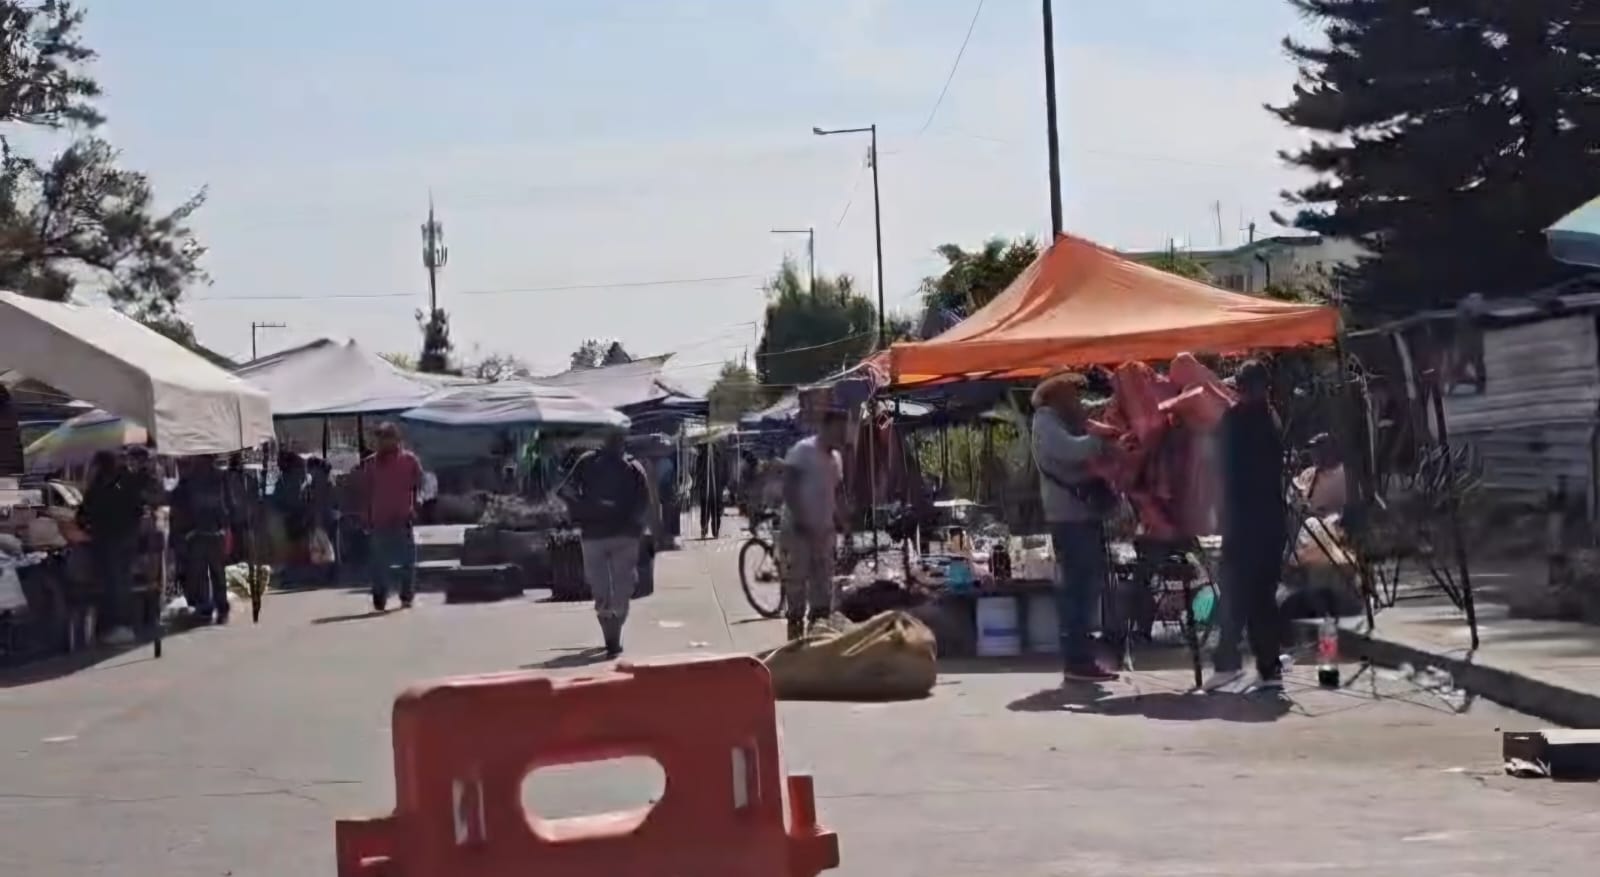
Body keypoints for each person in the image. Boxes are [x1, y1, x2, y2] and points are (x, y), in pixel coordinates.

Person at [1205, 360, 1290, 694]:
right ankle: (1268, 669)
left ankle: (1228, 665)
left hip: (1244, 524)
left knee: (1235, 597)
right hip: (1270, 523)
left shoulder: (1237, 420)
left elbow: (1220, 466)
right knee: (1260, 599)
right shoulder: (1270, 418)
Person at [1031, 373, 1118, 683]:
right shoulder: (1046, 423)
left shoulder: (1063, 417)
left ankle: (1082, 658)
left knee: (1086, 588)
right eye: (1072, 393)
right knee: (1078, 591)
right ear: (1057, 395)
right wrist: (1102, 440)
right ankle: (1078, 660)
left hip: (1082, 516)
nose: (1078, 399)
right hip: (1069, 519)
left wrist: (1119, 395)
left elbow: (1095, 408)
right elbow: (1069, 450)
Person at [563, 427, 656, 657]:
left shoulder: (588, 462)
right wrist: (636, 525)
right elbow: (645, 502)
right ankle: (613, 633)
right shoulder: (633, 467)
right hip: (622, 536)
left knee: (602, 588)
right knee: (621, 588)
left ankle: (610, 633)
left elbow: (566, 491)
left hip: (596, 535)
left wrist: (583, 508)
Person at [779, 409, 848, 641]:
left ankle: (817, 640)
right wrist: (802, 519)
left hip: (824, 532)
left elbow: (833, 494)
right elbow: (788, 488)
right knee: (797, 586)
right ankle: (795, 642)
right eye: (838, 429)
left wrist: (840, 520)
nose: (841, 434)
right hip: (798, 531)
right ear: (826, 427)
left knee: (823, 589)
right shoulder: (803, 451)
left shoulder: (836, 460)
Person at [77, 450, 144, 644]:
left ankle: (118, 625)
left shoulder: (100, 485)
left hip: (110, 540)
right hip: (127, 537)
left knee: (114, 583)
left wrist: (86, 524)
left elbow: (85, 513)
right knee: (122, 581)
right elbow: (139, 507)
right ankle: (124, 625)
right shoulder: (127, 481)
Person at [356, 422, 423, 611]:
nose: (382, 442)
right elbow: (365, 493)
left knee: (408, 561)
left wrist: (417, 503)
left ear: (396, 439)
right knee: (379, 563)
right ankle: (380, 597)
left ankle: (407, 595)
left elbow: (420, 484)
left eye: (386, 437)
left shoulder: (409, 461)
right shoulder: (371, 464)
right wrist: (365, 516)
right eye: (379, 438)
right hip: (379, 519)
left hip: (403, 517)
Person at [170, 455, 233, 623]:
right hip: (206, 533)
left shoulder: (194, 480)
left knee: (207, 573)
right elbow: (228, 505)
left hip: (202, 533)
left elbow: (177, 503)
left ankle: (211, 608)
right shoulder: (217, 478)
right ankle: (215, 608)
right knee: (212, 573)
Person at [1294, 433, 1347, 517]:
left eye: (1317, 449)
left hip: (1334, 525)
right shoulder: (1309, 473)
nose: (1314, 454)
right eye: (1313, 450)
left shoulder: (1346, 473)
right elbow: (1295, 494)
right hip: (1310, 523)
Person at [693, 444, 725, 540]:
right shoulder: (719, 457)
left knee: (705, 511)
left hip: (705, 490)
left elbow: (698, 472)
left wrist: (698, 484)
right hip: (717, 490)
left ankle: (704, 530)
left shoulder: (701, 458)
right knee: (716, 511)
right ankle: (715, 531)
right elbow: (725, 473)